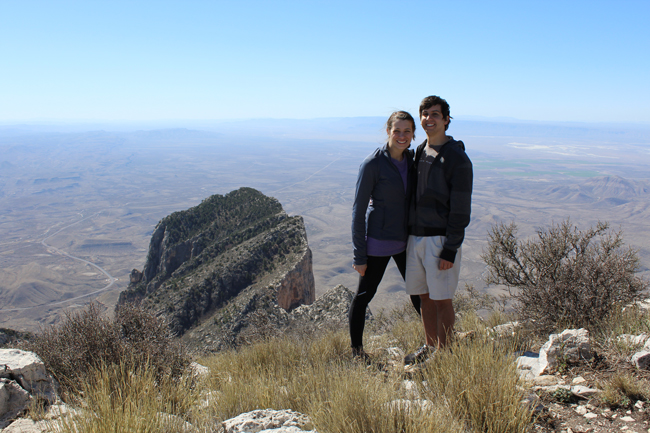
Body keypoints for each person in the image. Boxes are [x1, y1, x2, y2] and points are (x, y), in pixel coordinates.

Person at [404, 96, 473, 365]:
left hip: (440, 239)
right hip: (416, 236)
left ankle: (444, 355)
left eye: (435, 114)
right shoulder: (420, 150)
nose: (429, 119)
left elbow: (460, 209)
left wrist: (451, 248)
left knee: (442, 299)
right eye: (425, 114)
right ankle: (430, 347)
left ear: (446, 119)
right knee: (424, 297)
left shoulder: (457, 158)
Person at [350, 111, 421, 360]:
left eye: (407, 131)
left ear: (413, 134)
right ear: (388, 131)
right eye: (397, 131)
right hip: (378, 243)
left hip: (404, 241)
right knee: (364, 296)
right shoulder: (372, 164)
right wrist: (360, 255)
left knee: (418, 294)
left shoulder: (412, 159)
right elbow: (358, 212)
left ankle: (436, 344)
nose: (402, 136)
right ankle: (357, 352)